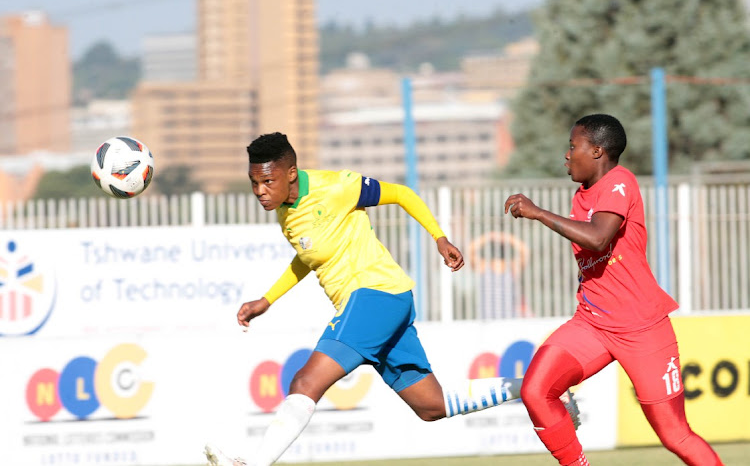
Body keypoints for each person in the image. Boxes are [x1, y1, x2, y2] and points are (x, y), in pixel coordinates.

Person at [204, 132, 579, 466]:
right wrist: (267, 300)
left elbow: (401, 193)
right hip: (385, 302)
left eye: (267, 181)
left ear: (290, 173)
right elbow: (308, 257)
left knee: (305, 383)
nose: (260, 192)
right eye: (254, 183)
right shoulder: (285, 211)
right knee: (432, 406)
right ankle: (540, 391)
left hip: (374, 294)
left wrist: (439, 237)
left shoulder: (337, 186)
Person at [504, 114, 723, 466]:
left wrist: (539, 213)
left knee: (675, 435)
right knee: (536, 391)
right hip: (591, 325)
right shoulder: (582, 194)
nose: (567, 154)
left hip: (643, 330)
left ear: (597, 151)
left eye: (573, 146)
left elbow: (598, 236)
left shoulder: (621, 182)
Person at [468, 231, 529, 318]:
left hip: (504, 318)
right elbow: (525, 250)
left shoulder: (484, 267)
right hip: (491, 318)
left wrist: (489, 236)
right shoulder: (511, 267)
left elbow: (470, 249)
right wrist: (507, 238)